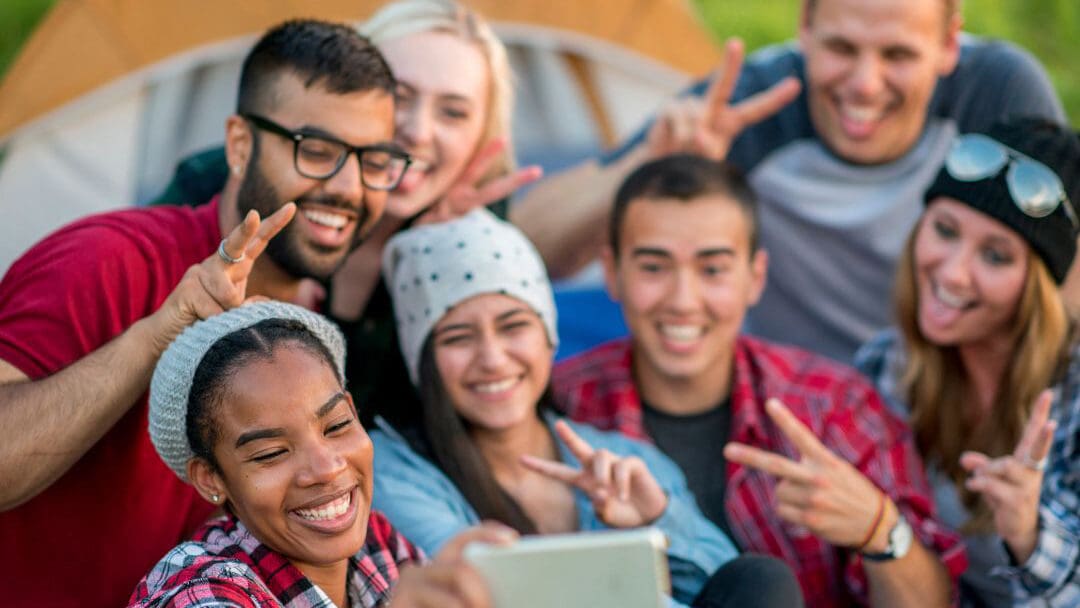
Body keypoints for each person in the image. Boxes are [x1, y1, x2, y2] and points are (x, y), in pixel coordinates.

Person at [0, 20, 403, 607]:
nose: (349, 187)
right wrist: (157, 335)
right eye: (317, 151)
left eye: (375, 161)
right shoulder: (110, 260)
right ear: (239, 144)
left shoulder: (308, 328)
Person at [514, 0, 1067, 363]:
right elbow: (527, 245)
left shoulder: (995, 95)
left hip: (957, 387)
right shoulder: (753, 105)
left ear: (949, 45)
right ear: (805, 28)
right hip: (799, 398)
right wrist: (643, 170)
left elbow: (1063, 276)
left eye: (897, 54)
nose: (865, 85)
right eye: (841, 49)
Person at [553, 154, 966, 606]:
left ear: (755, 277)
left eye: (713, 269)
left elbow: (934, 602)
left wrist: (878, 529)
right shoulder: (561, 403)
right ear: (612, 273)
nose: (683, 300)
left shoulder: (833, 407)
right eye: (654, 267)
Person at [372, 209, 805, 607]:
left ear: (548, 339)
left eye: (514, 326)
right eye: (458, 337)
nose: (493, 359)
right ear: (422, 362)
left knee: (762, 579)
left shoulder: (622, 459)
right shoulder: (395, 471)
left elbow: (727, 587)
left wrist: (657, 521)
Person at [153, 0, 541, 428]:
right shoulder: (227, 181)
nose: (417, 131)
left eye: (453, 112)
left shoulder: (473, 239)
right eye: (398, 96)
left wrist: (427, 268)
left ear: (483, 137)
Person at [131, 301, 511, 608]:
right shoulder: (195, 594)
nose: (327, 468)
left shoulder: (379, 543)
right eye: (272, 453)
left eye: (337, 426)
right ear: (210, 477)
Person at [855, 119, 1080, 606]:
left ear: (1038, 286)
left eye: (996, 257)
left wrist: (1030, 536)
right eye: (945, 230)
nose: (953, 273)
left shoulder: (1074, 395)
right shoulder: (884, 365)